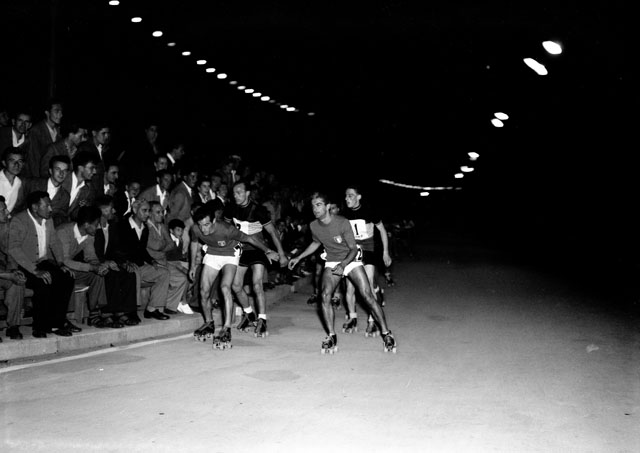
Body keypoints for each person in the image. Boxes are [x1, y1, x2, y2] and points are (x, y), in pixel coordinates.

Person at [288, 191, 396, 353]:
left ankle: (386, 333)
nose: (315, 209)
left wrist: (343, 265)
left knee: (367, 295)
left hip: (350, 260)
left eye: (319, 205)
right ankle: (331, 336)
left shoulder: (342, 222)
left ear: (327, 206)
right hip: (332, 260)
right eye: (313, 206)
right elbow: (316, 243)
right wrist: (299, 257)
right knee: (325, 295)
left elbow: (353, 249)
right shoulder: (313, 226)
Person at [190, 201, 279, 347]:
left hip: (230, 254)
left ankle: (226, 328)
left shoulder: (227, 229)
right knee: (203, 291)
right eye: (201, 225)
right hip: (212, 252)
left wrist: (267, 250)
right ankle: (209, 323)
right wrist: (192, 266)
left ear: (214, 220)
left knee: (225, 287)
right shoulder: (195, 229)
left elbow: (249, 238)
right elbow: (194, 243)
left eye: (207, 224)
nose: (204, 229)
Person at [8, 191, 77, 338]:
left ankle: (57, 323)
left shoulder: (48, 220)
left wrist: (60, 263)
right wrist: (34, 270)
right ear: (35, 207)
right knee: (43, 282)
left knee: (67, 277)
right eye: (47, 206)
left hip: (42, 262)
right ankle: (40, 327)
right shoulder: (19, 220)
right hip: (24, 265)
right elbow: (14, 248)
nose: (50, 209)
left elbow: (54, 242)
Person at [224, 180, 287, 338]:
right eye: (234, 193)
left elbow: (272, 232)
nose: (236, 196)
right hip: (240, 249)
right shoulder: (231, 208)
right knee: (236, 286)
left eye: (239, 193)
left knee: (257, 284)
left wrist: (281, 253)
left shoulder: (258, 210)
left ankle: (262, 319)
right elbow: (224, 228)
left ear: (247, 193)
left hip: (258, 249)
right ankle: (249, 313)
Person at [341, 185, 393, 336]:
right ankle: (352, 318)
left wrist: (385, 252)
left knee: (368, 285)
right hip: (352, 250)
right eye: (346, 196)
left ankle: (372, 320)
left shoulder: (370, 210)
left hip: (368, 249)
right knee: (350, 286)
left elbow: (382, 230)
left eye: (350, 195)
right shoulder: (345, 214)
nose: (347, 198)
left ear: (359, 197)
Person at [112, 199, 170, 320]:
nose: (147, 214)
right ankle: (131, 310)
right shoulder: (121, 226)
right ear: (134, 210)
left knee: (164, 272)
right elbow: (115, 249)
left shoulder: (145, 228)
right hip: (124, 265)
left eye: (148, 211)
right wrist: (125, 262)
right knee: (135, 273)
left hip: (139, 265)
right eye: (144, 210)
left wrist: (152, 261)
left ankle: (152, 308)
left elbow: (142, 250)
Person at [92, 195, 139, 326]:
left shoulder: (112, 226)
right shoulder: (93, 227)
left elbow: (116, 249)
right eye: (110, 208)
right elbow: (92, 252)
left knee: (129, 274)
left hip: (109, 261)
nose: (114, 211)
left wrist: (123, 262)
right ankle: (108, 313)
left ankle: (124, 312)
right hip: (95, 263)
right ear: (101, 210)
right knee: (111, 275)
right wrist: (104, 262)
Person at [56, 206, 109, 320]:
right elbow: (65, 260)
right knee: (68, 275)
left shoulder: (88, 235)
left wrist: (99, 267)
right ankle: (67, 316)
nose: (98, 227)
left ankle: (95, 313)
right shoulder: (63, 232)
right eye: (96, 224)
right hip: (56, 267)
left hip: (69, 267)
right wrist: (91, 267)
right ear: (86, 224)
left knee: (98, 275)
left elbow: (90, 256)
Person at [146, 200, 190, 315]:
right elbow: (154, 246)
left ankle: (170, 306)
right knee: (171, 275)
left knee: (182, 278)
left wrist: (160, 247)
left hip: (163, 260)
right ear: (150, 213)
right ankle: (158, 307)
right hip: (152, 261)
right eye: (158, 212)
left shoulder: (162, 226)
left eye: (162, 212)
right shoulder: (147, 226)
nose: (162, 215)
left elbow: (170, 244)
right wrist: (162, 246)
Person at [0, 195, 26, 340]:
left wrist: (14, 270)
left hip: (2, 272)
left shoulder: (5, 227)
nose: (7, 212)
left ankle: (13, 326)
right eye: (3, 210)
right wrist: (7, 275)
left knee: (17, 282)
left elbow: (10, 253)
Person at [26, 155, 72, 227]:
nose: (61, 173)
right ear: (50, 171)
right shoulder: (35, 184)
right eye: (58, 169)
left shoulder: (65, 196)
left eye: (65, 171)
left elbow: (61, 218)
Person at [24, 99, 63, 178]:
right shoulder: (36, 131)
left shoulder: (58, 132)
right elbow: (33, 159)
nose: (61, 115)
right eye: (56, 111)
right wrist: (38, 181)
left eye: (61, 112)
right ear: (47, 112)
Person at [62, 150, 97, 221]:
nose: (95, 171)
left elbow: (73, 215)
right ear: (80, 168)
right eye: (91, 168)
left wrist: (83, 209)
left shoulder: (87, 189)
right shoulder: (63, 178)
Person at [0, 147, 27, 216]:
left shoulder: (19, 183)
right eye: (12, 161)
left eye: (20, 161)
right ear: (4, 163)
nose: (16, 164)